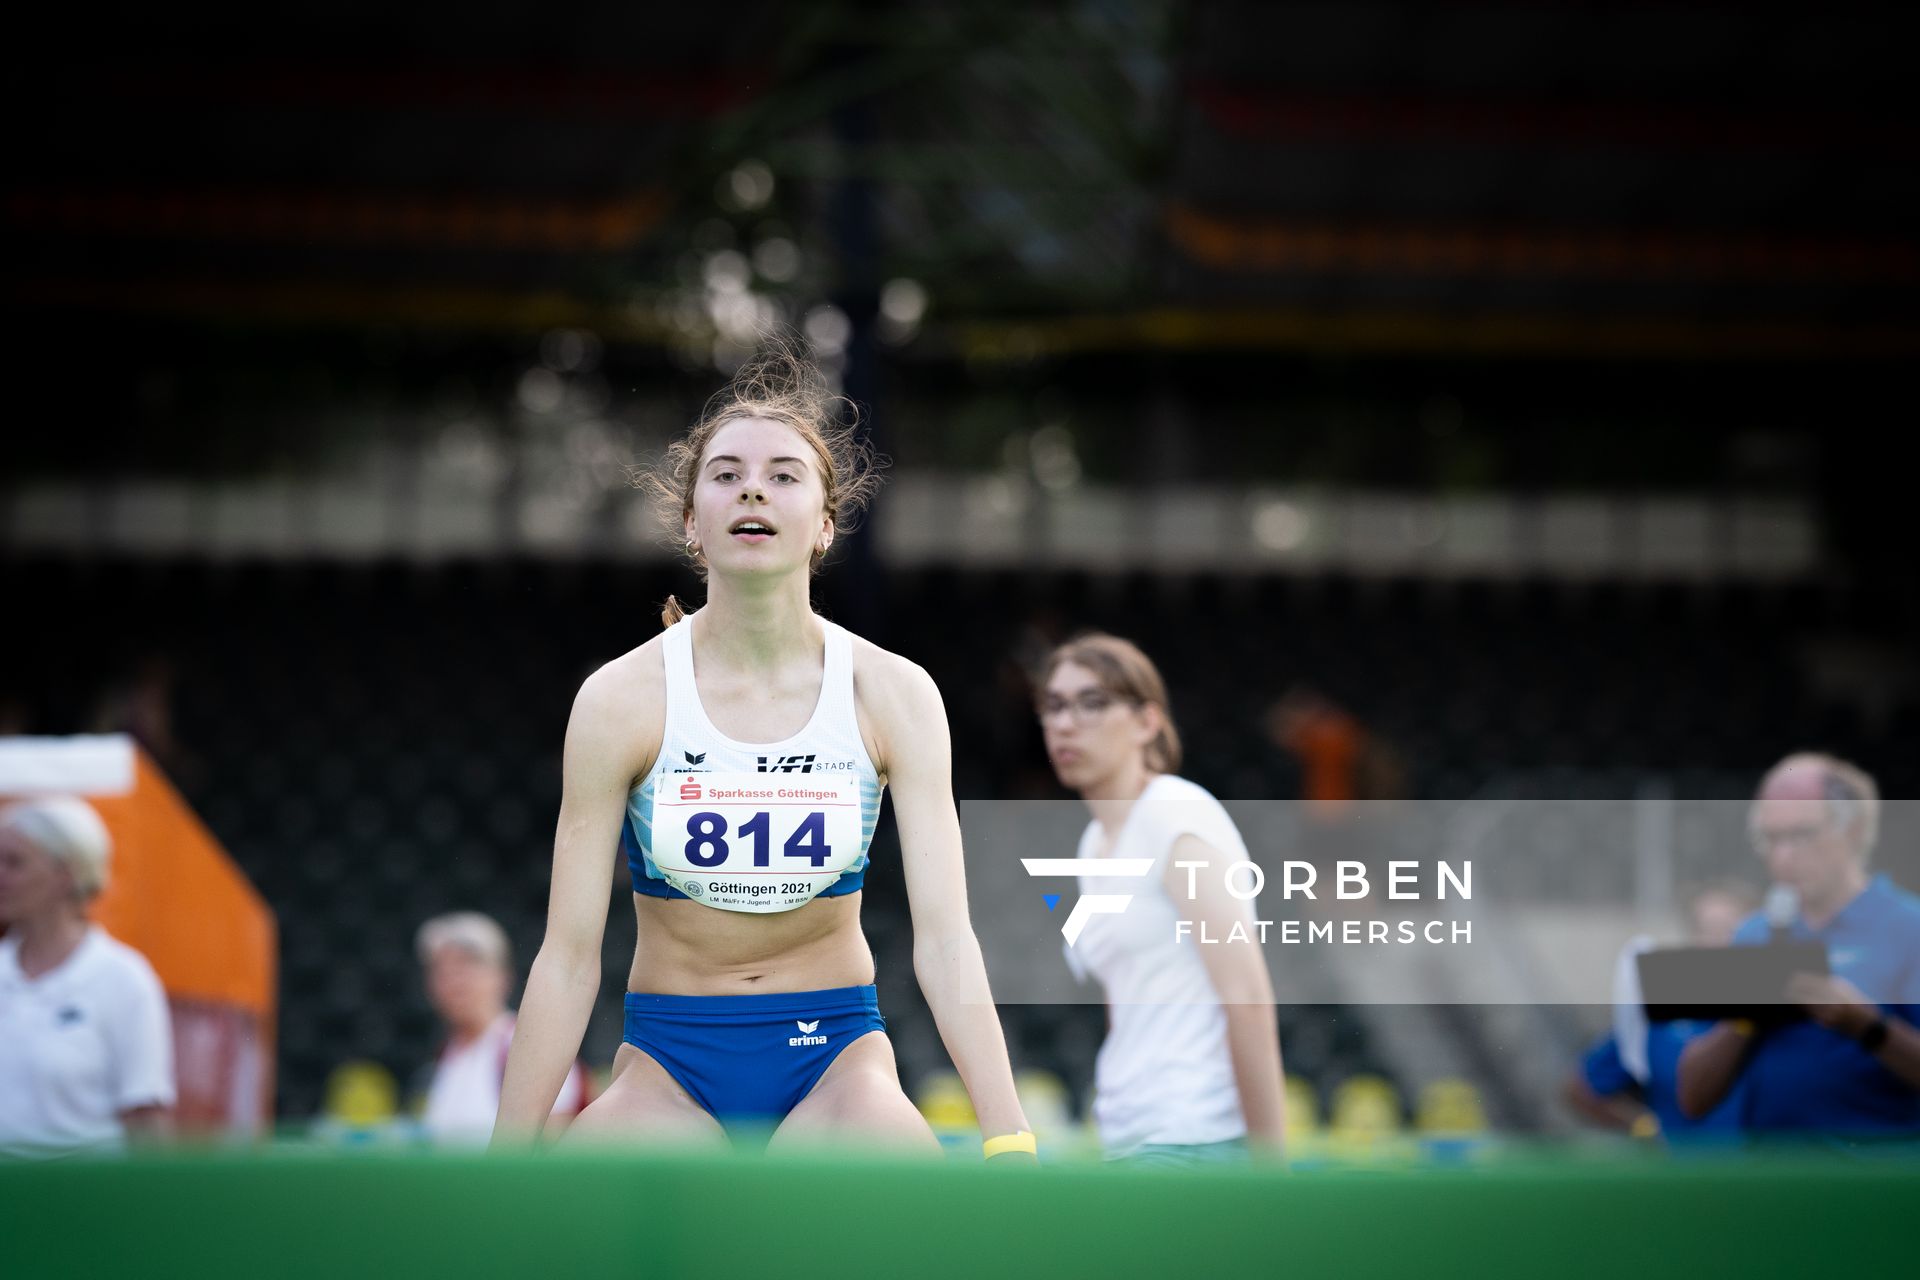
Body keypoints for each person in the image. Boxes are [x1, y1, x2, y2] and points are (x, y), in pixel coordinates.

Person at [493, 343, 1031, 1158]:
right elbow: (568, 960)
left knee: (904, 1190)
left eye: (783, 475)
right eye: (726, 473)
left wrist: (1010, 1138)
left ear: (823, 524)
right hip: (668, 1065)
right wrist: (504, 1161)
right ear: (691, 523)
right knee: (584, 1214)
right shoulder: (618, 699)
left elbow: (948, 942)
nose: (752, 486)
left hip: (836, 1061)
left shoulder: (895, 694)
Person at [1038, 633, 1286, 1165]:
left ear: (1147, 722)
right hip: (1127, 1135)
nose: (1063, 723)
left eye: (1092, 703)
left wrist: (1272, 1174)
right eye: (1054, 706)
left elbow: (1247, 995)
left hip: (1195, 1136)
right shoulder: (1090, 845)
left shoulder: (1176, 815)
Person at [1677, 753, 1920, 1139]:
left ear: (1853, 831)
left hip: (1878, 1185)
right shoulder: (1752, 935)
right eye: (1771, 839)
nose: (1782, 857)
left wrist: (1866, 1026)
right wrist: (1743, 1020)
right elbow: (1692, 1098)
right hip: (1776, 1185)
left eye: (1802, 835)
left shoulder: (1908, 927)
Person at [0, 795, 174, 1158]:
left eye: (14, 863)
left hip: (88, 1206)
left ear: (65, 874)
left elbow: (147, 1124)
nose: (0, 875)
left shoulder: (124, 979)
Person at [1563, 881, 1756, 1144]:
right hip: (1683, 1178)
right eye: (1704, 930)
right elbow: (1582, 1089)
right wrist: (1644, 1129)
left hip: (1761, 1177)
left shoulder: (1777, 1017)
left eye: (1728, 931)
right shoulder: (1665, 1014)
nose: (1714, 943)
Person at [416, 911, 587, 1144]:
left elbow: (552, 1144)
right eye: (442, 971)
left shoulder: (527, 1045)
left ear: (502, 975)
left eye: (466, 966)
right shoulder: (447, 1054)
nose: (454, 980)